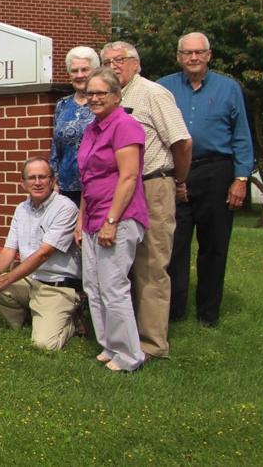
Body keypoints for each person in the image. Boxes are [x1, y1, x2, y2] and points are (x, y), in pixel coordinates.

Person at [159, 32, 255, 328]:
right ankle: (174, 312)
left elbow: (241, 136)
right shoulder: (164, 87)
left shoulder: (229, 88)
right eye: (187, 53)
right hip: (176, 171)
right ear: (179, 56)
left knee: (214, 245)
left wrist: (241, 178)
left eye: (199, 52)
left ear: (209, 55)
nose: (193, 58)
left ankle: (208, 314)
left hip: (216, 171)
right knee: (175, 244)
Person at [102, 40, 192, 358]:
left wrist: (177, 180)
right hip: (121, 190)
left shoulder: (153, 94)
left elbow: (181, 142)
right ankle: (123, 337)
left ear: (136, 63)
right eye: (107, 60)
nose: (114, 65)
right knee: (122, 266)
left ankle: (153, 344)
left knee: (152, 264)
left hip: (153, 184)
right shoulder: (112, 101)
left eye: (121, 60)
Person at [76, 67, 147, 373]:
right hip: (92, 216)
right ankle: (110, 346)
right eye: (90, 93)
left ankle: (130, 356)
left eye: (100, 93)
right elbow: (87, 178)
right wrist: (81, 220)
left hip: (119, 217)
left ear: (117, 96)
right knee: (93, 284)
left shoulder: (125, 125)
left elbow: (129, 177)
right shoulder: (92, 128)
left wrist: (112, 220)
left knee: (114, 285)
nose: (94, 98)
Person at [0, 158, 83, 351]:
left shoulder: (65, 208)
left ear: (52, 181)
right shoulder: (21, 209)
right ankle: (24, 321)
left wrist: (5, 279)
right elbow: (9, 250)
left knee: (44, 345)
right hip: (30, 281)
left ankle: (72, 322)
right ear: (23, 183)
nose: (38, 182)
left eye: (43, 177)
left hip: (56, 287)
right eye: (32, 178)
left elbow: (43, 254)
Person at [50, 46, 99, 205]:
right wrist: (54, 180)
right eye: (74, 70)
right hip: (66, 188)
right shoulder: (62, 105)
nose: (79, 75)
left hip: (96, 186)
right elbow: (56, 148)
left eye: (85, 69)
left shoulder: (103, 103)